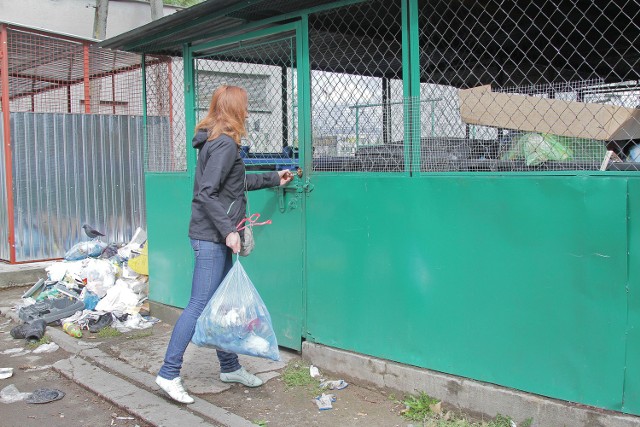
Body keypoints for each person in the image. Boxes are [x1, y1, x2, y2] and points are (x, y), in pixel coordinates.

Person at [155, 85, 294, 404]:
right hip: (210, 238)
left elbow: (235, 183)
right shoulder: (224, 145)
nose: (247, 110)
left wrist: (274, 178)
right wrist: (229, 230)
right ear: (235, 110)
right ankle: (168, 372)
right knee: (199, 305)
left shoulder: (220, 143)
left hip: (214, 235)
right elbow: (207, 192)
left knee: (222, 305)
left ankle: (229, 366)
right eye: (244, 105)